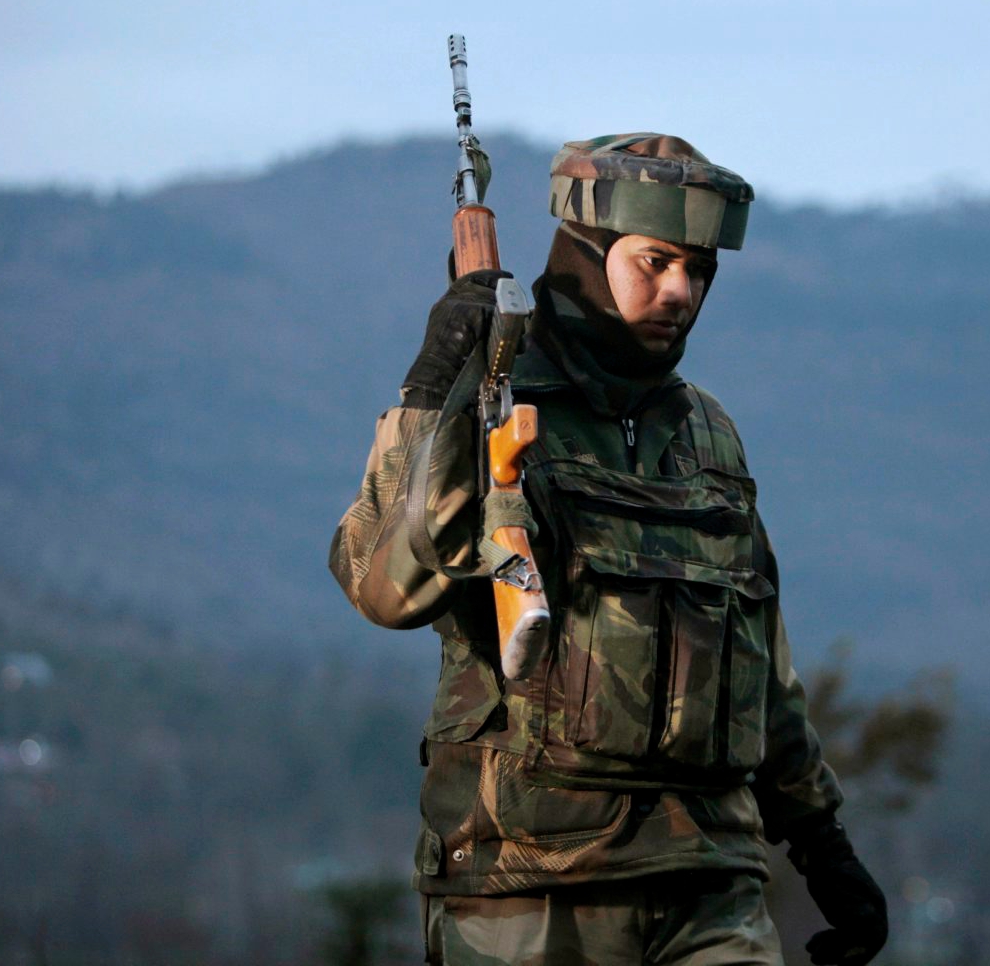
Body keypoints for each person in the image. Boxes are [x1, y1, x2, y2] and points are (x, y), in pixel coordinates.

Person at [330, 133, 888, 965]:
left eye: (698, 270)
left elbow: (756, 662)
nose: (680, 291)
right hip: (531, 887)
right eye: (655, 262)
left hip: (711, 883)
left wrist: (820, 842)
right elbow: (383, 588)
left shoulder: (707, 434)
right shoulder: (493, 402)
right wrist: (430, 386)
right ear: (587, 255)